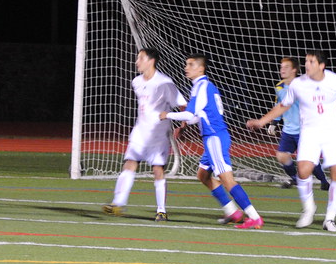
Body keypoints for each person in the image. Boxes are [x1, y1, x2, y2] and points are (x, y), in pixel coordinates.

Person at [247, 50, 336, 232]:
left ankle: (330, 219)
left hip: (333, 132)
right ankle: (308, 209)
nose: (307, 64)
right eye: (306, 61)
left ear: (321, 66)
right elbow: (283, 106)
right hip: (310, 132)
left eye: (311, 62)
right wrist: (261, 121)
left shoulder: (335, 80)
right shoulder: (298, 84)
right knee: (303, 170)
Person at [159, 54, 264, 229]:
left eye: (191, 64)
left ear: (201, 68)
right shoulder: (203, 86)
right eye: (186, 64)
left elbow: (190, 115)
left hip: (214, 138)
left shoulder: (202, 87)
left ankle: (254, 217)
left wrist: (166, 115)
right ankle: (232, 211)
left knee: (227, 180)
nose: (186, 67)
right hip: (213, 137)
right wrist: (184, 126)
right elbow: (195, 117)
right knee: (203, 175)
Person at [102, 48, 186, 221]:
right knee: (130, 163)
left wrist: (183, 125)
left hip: (158, 134)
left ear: (151, 60)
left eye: (140, 58)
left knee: (157, 170)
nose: (136, 61)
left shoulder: (164, 82)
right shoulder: (136, 81)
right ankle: (117, 204)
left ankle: (161, 210)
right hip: (140, 132)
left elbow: (181, 104)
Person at [270, 57, 330, 191]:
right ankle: (295, 179)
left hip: (305, 130)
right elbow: (278, 105)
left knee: (309, 161)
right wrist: (274, 122)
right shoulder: (279, 87)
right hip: (288, 130)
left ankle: (324, 181)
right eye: (281, 67)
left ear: (294, 70)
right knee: (282, 156)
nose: (282, 70)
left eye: (286, 67)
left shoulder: (305, 85)